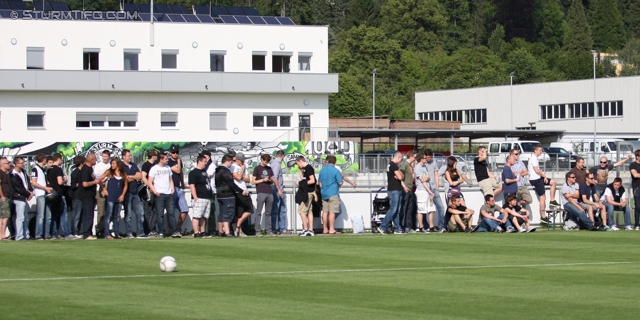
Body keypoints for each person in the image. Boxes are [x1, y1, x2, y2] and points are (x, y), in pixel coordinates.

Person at [148, 153, 181, 238]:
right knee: (160, 214)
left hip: (168, 193)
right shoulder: (154, 169)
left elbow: (170, 180)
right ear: (161, 159)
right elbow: (149, 181)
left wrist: (172, 189)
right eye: (166, 159)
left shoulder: (168, 168)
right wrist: (155, 192)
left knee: (171, 213)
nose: (167, 160)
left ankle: (175, 231)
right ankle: (161, 231)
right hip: (159, 194)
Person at [215, 154, 246, 237]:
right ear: (227, 161)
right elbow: (231, 183)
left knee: (221, 213)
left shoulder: (217, 170)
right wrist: (241, 190)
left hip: (219, 194)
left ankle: (220, 231)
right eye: (231, 162)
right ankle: (227, 231)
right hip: (227, 194)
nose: (231, 164)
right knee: (227, 213)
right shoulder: (225, 171)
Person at [528, 144, 559, 224]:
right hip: (536, 179)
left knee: (553, 182)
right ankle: (543, 216)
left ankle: (552, 200)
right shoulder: (533, 158)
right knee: (543, 197)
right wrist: (544, 176)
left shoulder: (535, 158)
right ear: (535, 150)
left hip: (538, 178)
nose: (541, 152)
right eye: (540, 150)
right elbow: (536, 170)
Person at [100, 157, 128, 239]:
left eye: (113, 163)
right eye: (111, 163)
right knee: (108, 215)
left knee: (117, 216)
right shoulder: (109, 172)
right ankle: (107, 233)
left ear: (118, 164)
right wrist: (104, 189)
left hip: (119, 197)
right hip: (111, 196)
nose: (112, 165)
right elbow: (100, 179)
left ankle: (117, 233)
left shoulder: (123, 173)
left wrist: (123, 195)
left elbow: (126, 185)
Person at [377, 152, 404, 235]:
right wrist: (400, 175)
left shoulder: (390, 165)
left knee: (397, 210)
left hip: (395, 189)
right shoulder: (393, 165)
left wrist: (400, 175)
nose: (401, 161)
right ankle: (382, 226)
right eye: (401, 160)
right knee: (393, 209)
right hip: (394, 189)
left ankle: (397, 228)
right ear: (398, 157)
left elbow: (401, 176)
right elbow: (400, 177)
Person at [47, 153, 72, 240]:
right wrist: (65, 180)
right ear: (58, 159)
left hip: (52, 194)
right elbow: (60, 182)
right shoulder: (58, 169)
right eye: (61, 159)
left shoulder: (49, 169)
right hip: (59, 193)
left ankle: (54, 233)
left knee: (54, 215)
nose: (61, 161)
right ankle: (67, 233)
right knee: (63, 214)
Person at [121, 149, 145, 238]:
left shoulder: (134, 165)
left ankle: (140, 232)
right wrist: (134, 177)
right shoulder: (121, 166)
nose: (130, 157)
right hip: (127, 193)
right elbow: (124, 179)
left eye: (130, 155)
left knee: (140, 213)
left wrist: (130, 176)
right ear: (123, 156)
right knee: (128, 215)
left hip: (136, 193)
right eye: (128, 156)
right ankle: (129, 233)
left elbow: (140, 176)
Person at [318, 155, 343, 234]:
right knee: (332, 212)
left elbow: (320, 184)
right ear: (335, 162)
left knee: (325, 212)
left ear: (327, 161)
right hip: (333, 193)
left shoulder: (322, 170)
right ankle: (331, 229)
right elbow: (340, 182)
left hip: (324, 193)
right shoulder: (336, 171)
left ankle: (325, 229)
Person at [189, 154, 213, 238]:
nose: (206, 163)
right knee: (197, 215)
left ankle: (203, 231)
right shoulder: (193, 173)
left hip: (207, 197)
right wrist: (195, 197)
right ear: (199, 161)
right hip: (199, 197)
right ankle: (196, 232)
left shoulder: (204, 172)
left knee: (204, 216)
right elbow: (192, 185)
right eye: (204, 162)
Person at [10, 157, 33, 241]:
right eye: (21, 163)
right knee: (20, 218)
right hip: (18, 197)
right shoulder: (13, 175)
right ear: (16, 164)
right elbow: (18, 187)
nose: (23, 164)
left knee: (25, 218)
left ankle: (26, 235)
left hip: (24, 197)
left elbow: (27, 183)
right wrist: (28, 194)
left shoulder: (23, 172)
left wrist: (30, 191)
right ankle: (19, 236)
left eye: (23, 163)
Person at [168, 146, 189, 234]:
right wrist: (179, 162)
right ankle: (171, 230)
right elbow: (177, 170)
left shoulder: (179, 161)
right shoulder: (168, 161)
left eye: (176, 152)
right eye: (173, 152)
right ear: (170, 153)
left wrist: (183, 184)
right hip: (171, 189)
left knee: (184, 210)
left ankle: (178, 228)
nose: (175, 154)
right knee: (171, 211)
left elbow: (181, 173)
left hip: (179, 188)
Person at [79, 154, 101, 240]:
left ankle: (89, 232)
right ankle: (86, 234)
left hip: (91, 195)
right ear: (91, 160)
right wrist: (94, 182)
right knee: (87, 215)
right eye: (95, 159)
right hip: (86, 195)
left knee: (90, 214)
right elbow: (84, 184)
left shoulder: (90, 168)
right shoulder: (85, 169)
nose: (96, 161)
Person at [253, 153, 275, 236]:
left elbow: (272, 179)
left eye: (267, 161)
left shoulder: (269, 169)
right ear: (262, 159)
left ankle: (269, 231)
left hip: (269, 192)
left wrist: (270, 180)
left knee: (268, 213)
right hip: (261, 192)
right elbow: (253, 181)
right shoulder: (257, 168)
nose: (266, 163)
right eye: (265, 161)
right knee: (259, 212)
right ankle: (257, 231)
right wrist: (262, 180)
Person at [231, 152, 253, 237]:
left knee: (249, 210)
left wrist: (242, 175)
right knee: (239, 213)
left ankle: (237, 226)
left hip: (245, 190)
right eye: (242, 160)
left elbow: (248, 179)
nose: (243, 162)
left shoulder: (244, 166)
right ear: (238, 160)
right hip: (238, 191)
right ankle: (239, 231)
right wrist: (242, 170)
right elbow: (238, 178)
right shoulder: (233, 167)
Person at [32, 153, 53, 240]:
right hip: (40, 193)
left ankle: (47, 234)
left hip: (45, 193)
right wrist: (45, 188)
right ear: (43, 159)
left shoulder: (43, 169)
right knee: (40, 215)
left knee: (48, 215)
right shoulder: (35, 168)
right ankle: (38, 235)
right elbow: (34, 182)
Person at [423, 149, 445, 232]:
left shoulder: (434, 162)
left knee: (441, 207)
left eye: (430, 157)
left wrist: (437, 186)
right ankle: (425, 226)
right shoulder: (423, 164)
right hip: (426, 189)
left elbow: (436, 173)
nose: (429, 159)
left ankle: (441, 226)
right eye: (428, 157)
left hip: (433, 188)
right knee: (425, 208)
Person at [295, 156, 318, 236]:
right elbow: (304, 179)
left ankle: (305, 228)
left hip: (307, 192)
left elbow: (312, 180)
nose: (298, 165)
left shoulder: (309, 168)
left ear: (300, 161)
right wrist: (300, 171)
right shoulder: (305, 169)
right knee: (309, 211)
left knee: (302, 211)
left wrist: (300, 184)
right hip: (308, 191)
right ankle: (310, 229)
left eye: (298, 163)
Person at [414, 154, 435, 233]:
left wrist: (429, 190)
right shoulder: (417, 168)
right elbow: (422, 181)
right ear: (421, 159)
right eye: (424, 158)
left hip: (428, 190)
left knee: (431, 208)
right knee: (421, 209)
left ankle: (431, 227)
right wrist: (429, 191)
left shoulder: (424, 167)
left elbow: (428, 177)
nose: (426, 159)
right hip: (422, 190)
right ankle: (421, 227)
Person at [140, 150, 159, 237]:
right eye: (156, 155)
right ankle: (149, 230)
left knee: (155, 210)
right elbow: (143, 177)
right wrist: (150, 186)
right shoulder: (146, 165)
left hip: (156, 189)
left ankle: (153, 228)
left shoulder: (155, 166)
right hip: (148, 190)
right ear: (153, 156)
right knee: (148, 210)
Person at [93, 150, 111, 237]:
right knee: (101, 211)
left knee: (110, 211)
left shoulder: (111, 165)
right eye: (103, 156)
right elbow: (96, 177)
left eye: (106, 156)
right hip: (100, 189)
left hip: (110, 189)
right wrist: (101, 179)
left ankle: (106, 229)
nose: (104, 158)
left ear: (109, 157)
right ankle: (100, 229)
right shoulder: (98, 166)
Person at [270, 150, 288, 235]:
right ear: (283, 156)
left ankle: (279, 228)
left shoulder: (274, 163)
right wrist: (279, 189)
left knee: (278, 210)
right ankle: (279, 228)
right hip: (277, 190)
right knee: (279, 210)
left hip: (276, 189)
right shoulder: (277, 164)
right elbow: (274, 177)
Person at [399, 150, 417, 233]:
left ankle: (409, 226)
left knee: (410, 209)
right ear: (410, 156)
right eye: (414, 157)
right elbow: (400, 177)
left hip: (410, 189)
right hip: (405, 190)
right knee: (404, 209)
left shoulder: (410, 166)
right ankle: (401, 226)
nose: (415, 159)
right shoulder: (405, 165)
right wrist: (404, 186)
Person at [202, 150, 217, 238]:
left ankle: (212, 230)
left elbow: (206, 175)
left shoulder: (212, 165)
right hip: (204, 191)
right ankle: (204, 230)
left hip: (211, 191)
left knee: (211, 211)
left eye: (205, 157)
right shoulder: (204, 165)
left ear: (208, 157)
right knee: (204, 212)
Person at [69, 156, 85, 238]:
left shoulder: (82, 172)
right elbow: (72, 185)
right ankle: (75, 231)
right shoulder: (75, 173)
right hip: (76, 196)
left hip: (82, 196)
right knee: (76, 215)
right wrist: (81, 184)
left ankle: (80, 231)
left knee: (81, 215)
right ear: (81, 163)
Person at [0, 157, 13, 240]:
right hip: (3, 197)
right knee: (5, 216)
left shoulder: (6, 173)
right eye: (8, 163)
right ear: (2, 164)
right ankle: (2, 234)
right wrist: (2, 196)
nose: (9, 164)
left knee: (3, 216)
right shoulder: (0, 173)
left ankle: (2, 234)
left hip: (7, 196)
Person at [629, 150, 640, 230]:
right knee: (638, 207)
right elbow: (635, 175)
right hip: (637, 188)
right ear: (637, 156)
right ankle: (637, 224)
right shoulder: (633, 165)